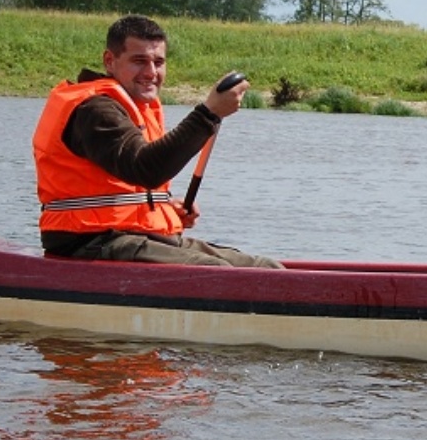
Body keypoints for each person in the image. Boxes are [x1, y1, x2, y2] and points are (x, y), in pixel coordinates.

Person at [32, 14, 283, 268]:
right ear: (110, 61)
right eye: (139, 61)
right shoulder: (94, 111)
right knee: (219, 273)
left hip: (132, 235)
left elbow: (130, 184)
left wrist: (160, 206)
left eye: (158, 62)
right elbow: (146, 169)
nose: (151, 73)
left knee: (267, 268)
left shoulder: (133, 105)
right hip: (87, 242)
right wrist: (209, 114)